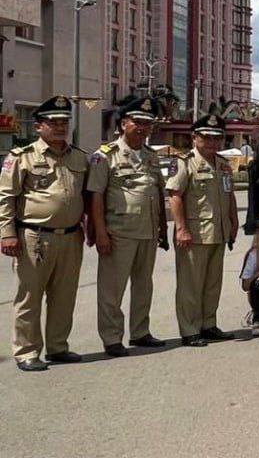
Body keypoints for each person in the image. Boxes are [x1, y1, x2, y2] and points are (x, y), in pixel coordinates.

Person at [0, 95, 89, 371]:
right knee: (30, 296)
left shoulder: (79, 157)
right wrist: (7, 233)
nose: (60, 127)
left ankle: (58, 347)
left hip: (71, 237)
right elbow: (6, 197)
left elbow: (87, 196)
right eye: (54, 122)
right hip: (34, 237)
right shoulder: (22, 157)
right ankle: (27, 351)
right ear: (38, 126)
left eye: (64, 122)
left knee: (64, 296)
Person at [86, 96, 166, 358]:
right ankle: (111, 338)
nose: (143, 128)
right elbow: (96, 196)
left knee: (144, 286)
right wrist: (100, 232)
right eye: (137, 122)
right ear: (123, 124)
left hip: (147, 231)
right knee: (112, 289)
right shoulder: (104, 156)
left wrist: (162, 229)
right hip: (119, 232)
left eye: (147, 123)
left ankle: (140, 331)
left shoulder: (151, 156)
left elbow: (158, 193)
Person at [166, 113, 239, 347]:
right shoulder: (184, 162)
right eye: (207, 137)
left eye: (217, 138)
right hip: (194, 234)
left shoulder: (223, 164)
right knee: (191, 285)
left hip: (218, 231)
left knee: (212, 284)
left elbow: (229, 194)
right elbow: (175, 196)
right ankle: (190, 330)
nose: (212, 142)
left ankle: (208, 324)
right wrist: (181, 229)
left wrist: (233, 221)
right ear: (194, 137)